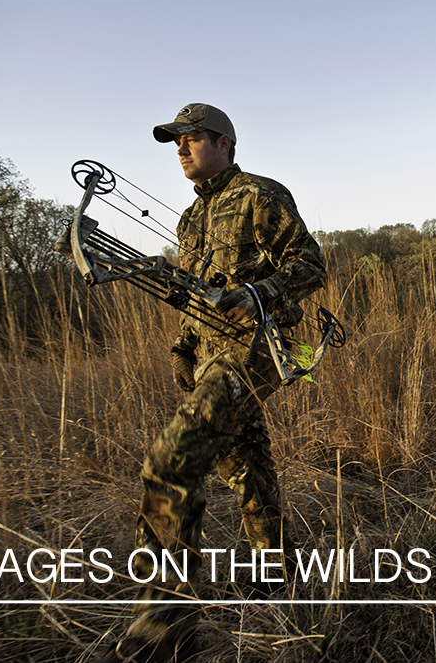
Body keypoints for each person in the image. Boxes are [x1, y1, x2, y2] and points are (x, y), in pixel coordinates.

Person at [96, 103, 327, 663]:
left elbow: (311, 265)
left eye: (192, 138)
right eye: (175, 141)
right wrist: (182, 347)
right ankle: (278, 575)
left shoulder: (259, 195)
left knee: (170, 462)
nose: (181, 148)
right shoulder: (189, 219)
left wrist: (255, 294)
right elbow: (194, 293)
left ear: (225, 143)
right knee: (245, 462)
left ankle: (162, 629)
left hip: (256, 351)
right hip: (209, 356)